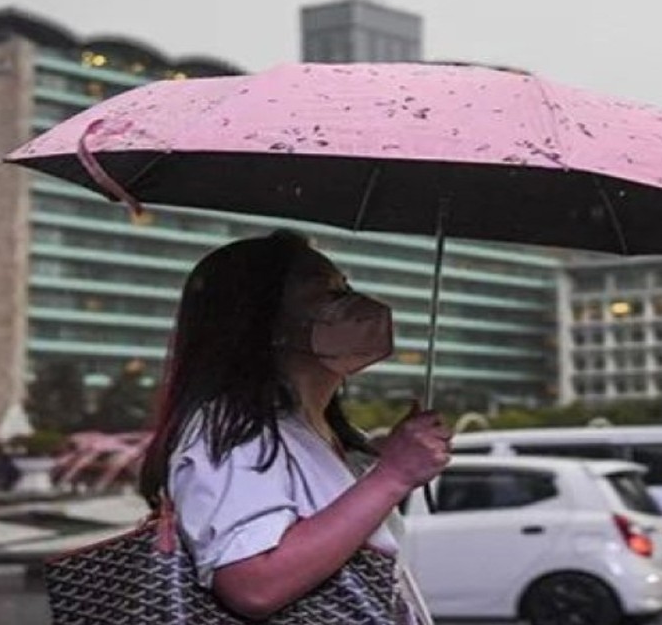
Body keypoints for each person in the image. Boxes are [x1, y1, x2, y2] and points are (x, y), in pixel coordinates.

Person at [137, 230, 451, 622]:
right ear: (264, 320)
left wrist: (388, 465)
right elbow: (253, 585)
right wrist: (392, 477)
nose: (357, 304)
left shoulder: (324, 434)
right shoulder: (236, 428)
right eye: (329, 293)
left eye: (347, 288)